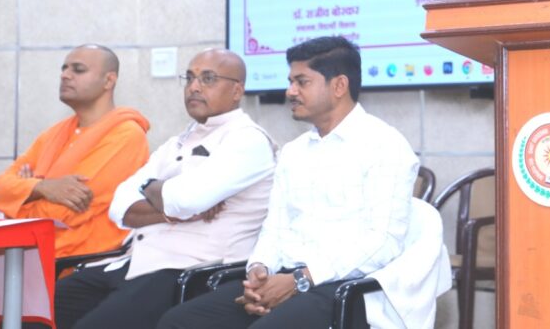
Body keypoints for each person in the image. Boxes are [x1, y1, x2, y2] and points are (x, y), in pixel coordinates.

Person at [158, 36, 418, 329]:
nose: (290, 91)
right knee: (178, 322)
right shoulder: (294, 151)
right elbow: (275, 227)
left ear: (339, 86)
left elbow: (383, 242)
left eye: (301, 82)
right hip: (283, 277)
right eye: (290, 81)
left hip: (342, 287)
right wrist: (259, 270)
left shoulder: (385, 145)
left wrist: (301, 279)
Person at [53, 49, 277, 329]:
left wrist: (151, 189)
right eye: (190, 78)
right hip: (132, 260)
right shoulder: (177, 141)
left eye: (208, 79)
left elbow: (184, 199)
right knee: (38, 310)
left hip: (188, 270)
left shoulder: (248, 141)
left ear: (236, 90)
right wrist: (167, 202)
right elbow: (120, 206)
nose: (194, 87)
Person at [0, 45, 150, 259]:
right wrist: (40, 187)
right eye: (64, 69)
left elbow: (64, 214)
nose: (65, 75)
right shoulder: (55, 132)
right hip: (28, 254)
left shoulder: (125, 135)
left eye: (78, 69)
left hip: (79, 265)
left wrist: (18, 198)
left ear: (108, 81)